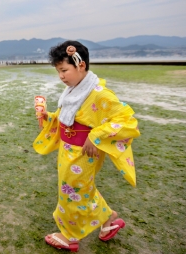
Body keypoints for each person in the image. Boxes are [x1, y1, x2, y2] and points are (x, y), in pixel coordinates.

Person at [33, 40, 140, 252]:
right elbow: (70, 119)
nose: (61, 76)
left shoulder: (99, 93)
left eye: (64, 70)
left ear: (81, 65)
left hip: (83, 153)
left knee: (71, 192)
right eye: (58, 72)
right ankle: (109, 218)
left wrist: (96, 135)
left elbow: (126, 119)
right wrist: (49, 117)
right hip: (68, 150)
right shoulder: (73, 90)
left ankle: (69, 236)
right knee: (81, 190)